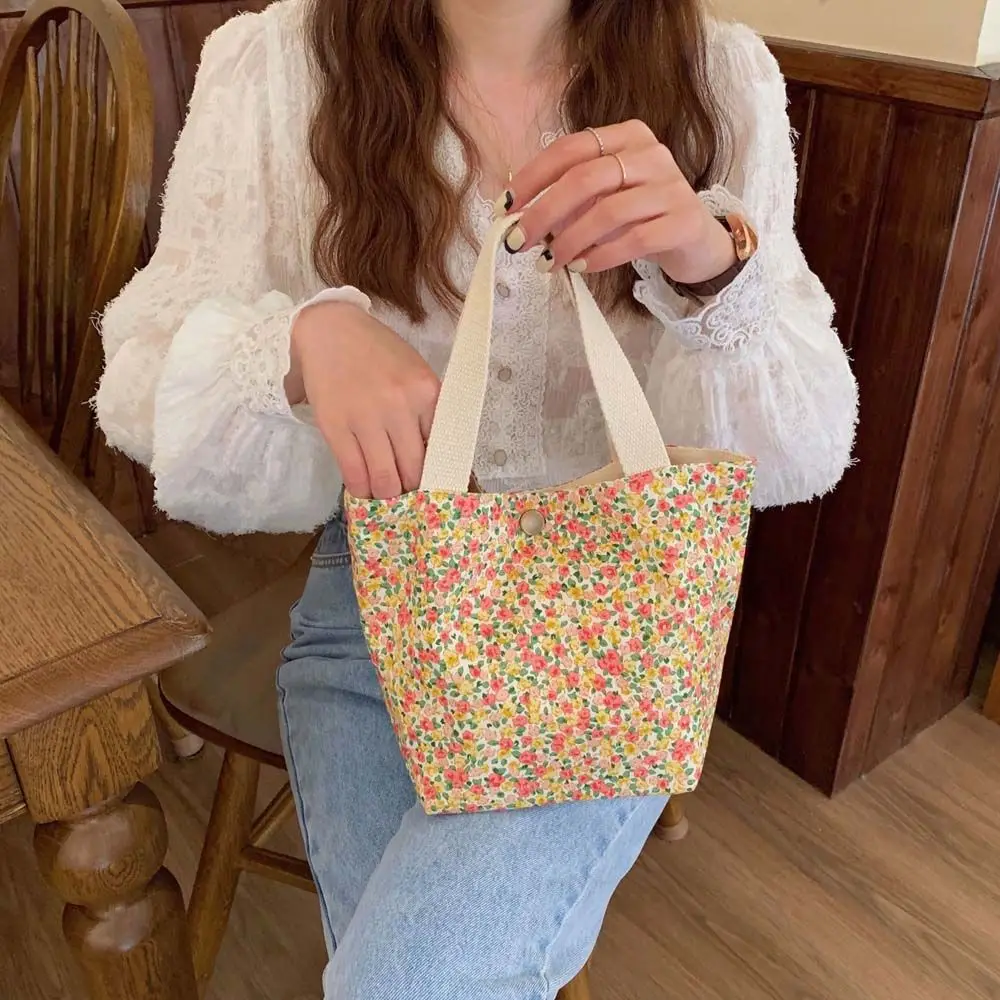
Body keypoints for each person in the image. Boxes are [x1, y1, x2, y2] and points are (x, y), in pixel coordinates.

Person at [95, 0, 858, 996]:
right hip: (380, 600)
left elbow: (804, 446)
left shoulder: (719, 76)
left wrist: (711, 266)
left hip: (608, 625)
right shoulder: (274, 66)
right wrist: (301, 342)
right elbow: (135, 381)